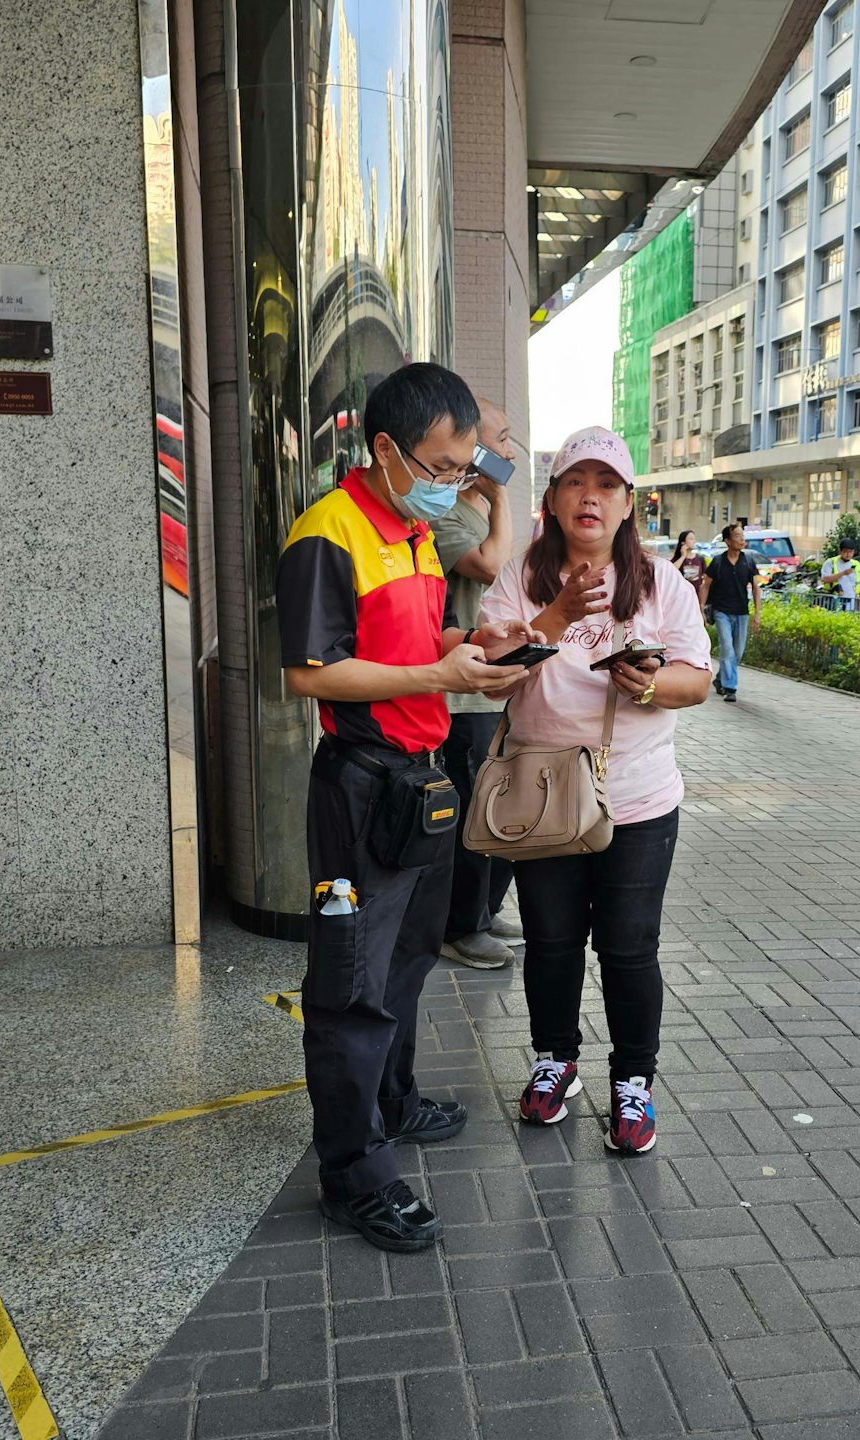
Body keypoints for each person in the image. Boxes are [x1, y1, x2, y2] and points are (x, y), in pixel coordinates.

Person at [279, 363, 540, 1252]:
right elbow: (308, 672)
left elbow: (421, 640)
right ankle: (354, 1173)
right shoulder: (330, 530)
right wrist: (438, 672)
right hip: (360, 782)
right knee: (351, 985)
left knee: (409, 958)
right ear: (385, 449)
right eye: (438, 465)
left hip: (421, 777)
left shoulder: (417, 535)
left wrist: (476, 642)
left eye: (463, 467)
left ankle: (393, 1101)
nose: (450, 484)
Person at [478, 425, 711, 1154]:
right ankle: (556, 1062)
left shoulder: (659, 582)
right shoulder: (521, 576)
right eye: (576, 481)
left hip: (636, 799)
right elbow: (489, 676)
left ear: (628, 502)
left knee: (629, 947)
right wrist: (553, 618)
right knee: (551, 943)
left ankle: (633, 1084)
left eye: (607, 484)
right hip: (543, 795)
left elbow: (696, 680)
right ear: (551, 498)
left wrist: (651, 681)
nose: (591, 496)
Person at [431, 398, 521, 970]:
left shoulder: (481, 508)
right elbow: (490, 566)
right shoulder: (443, 512)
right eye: (502, 439)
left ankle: (483, 912)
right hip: (461, 688)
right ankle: (459, 927)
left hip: (495, 679)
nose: (510, 451)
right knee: (475, 810)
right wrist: (500, 494)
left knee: (504, 804)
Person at [700, 522, 760, 703]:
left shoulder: (748, 561)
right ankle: (730, 688)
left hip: (742, 612)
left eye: (743, 536)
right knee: (727, 649)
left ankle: (720, 679)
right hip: (721, 611)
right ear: (727, 540)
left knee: (737, 652)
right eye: (737, 536)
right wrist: (701, 608)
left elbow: (756, 587)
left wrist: (758, 612)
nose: (742, 539)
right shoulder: (718, 562)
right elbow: (705, 586)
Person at [821, 539, 860, 610]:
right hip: (834, 599)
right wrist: (843, 573)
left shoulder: (857, 564)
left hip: (852, 600)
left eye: (850, 552)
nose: (848, 554)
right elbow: (825, 578)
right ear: (840, 551)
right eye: (845, 551)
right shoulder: (831, 562)